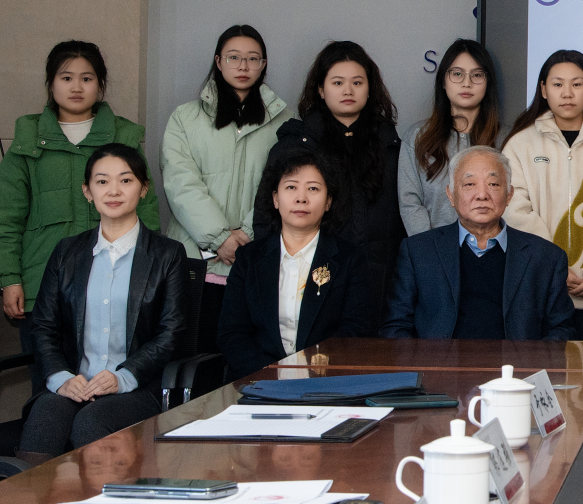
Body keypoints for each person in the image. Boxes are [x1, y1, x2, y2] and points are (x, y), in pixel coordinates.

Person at [3, 144, 190, 458]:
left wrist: (122, 377)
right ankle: (29, 493)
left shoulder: (167, 254)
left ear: (143, 188)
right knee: (46, 415)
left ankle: (95, 494)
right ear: (87, 191)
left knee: (91, 421)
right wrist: (61, 378)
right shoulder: (66, 252)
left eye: (125, 180)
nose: (113, 190)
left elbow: (171, 333)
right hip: (75, 382)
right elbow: (44, 326)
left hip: (137, 386)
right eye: (102, 181)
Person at [0, 40, 158, 337]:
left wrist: (147, 278)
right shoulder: (28, 142)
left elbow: (147, 212)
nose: (76, 87)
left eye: (86, 79)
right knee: (46, 365)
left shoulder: (123, 139)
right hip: (42, 287)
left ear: (100, 85)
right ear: (51, 84)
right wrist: (9, 278)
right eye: (66, 78)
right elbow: (3, 217)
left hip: (115, 286)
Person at [160, 24, 293, 353]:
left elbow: (283, 185)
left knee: (250, 359)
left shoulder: (285, 121)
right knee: (194, 357)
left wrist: (246, 235)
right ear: (218, 62)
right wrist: (219, 237)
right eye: (234, 57)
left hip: (257, 256)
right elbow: (180, 182)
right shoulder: (185, 118)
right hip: (195, 258)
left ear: (263, 64)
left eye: (253, 58)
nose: (243, 66)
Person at [219, 144, 381, 380]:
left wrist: (308, 375)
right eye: (291, 187)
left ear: (328, 201)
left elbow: (354, 332)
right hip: (258, 383)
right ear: (275, 198)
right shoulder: (249, 258)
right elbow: (232, 334)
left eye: (313, 188)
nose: (301, 198)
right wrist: (272, 377)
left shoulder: (350, 259)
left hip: (324, 383)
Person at [381, 145, 576, 341]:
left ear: (509, 195)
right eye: (469, 184)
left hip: (517, 361)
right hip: (438, 360)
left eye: (493, 184)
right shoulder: (418, 252)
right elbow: (396, 327)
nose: (482, 195)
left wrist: (529, 361)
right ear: (451, 195)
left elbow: (561, 329)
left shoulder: (546, 257)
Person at [502, 50, 583, 339]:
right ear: (543, 89)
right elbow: (514, 210)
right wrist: (555, 267)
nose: (567, 93)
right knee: (544, 363)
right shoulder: (520, 144)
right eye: (558, 84)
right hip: (540, 286)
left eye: (577, 84)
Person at [264, 41, 406, 302]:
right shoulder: (294, 146)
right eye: (337, 82)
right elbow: (266, 217)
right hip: (309, 277)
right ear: (321, 89)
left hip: (380, 278)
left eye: (357, 82)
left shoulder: (391, 146)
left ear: (370, 88)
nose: (348, 90)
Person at [399, 39, 503, 237]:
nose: (467, 83)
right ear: (443, 81)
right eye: (457, 74)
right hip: (433, 250)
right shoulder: (418, 137)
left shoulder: (506, 139)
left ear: (488, 82)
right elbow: (410, 202)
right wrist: (431, 248)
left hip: (493, 249)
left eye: (477, 75)